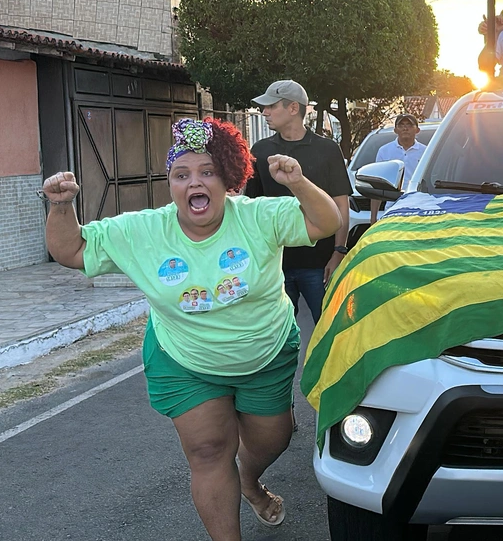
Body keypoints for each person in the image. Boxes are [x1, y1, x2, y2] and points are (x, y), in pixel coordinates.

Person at [40, 118, 341, 539]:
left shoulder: (257, 216)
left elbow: (324, 223)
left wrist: (298, 183)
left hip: (265, 353)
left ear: (227, 180)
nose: (194, 182)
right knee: (207, 451)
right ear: (171, 184)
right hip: (185, 361)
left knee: (274, 439)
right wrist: (60, 206)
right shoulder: (143, 231)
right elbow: (70, 249)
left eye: (207, 172)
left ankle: (250, 480)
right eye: (182, 175)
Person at [246, 80, 352, 323]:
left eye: (271, 106)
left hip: (319, 262)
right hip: (274, 263)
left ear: (293, 108)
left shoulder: (327, 150)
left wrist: (339, 252)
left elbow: (340, 204)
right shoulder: (261, 151)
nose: (265, 112)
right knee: (279, 334)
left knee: (329, 328)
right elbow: (251, 206)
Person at [369, 114, 428, 223]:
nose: (405, 128)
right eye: (401, 125)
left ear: (417, 130)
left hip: (419, 208)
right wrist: (373, 218)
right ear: (395, 130)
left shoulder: (426, 152)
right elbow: (377, 185)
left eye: (409, 125)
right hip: (392, 209)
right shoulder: (384, 151)